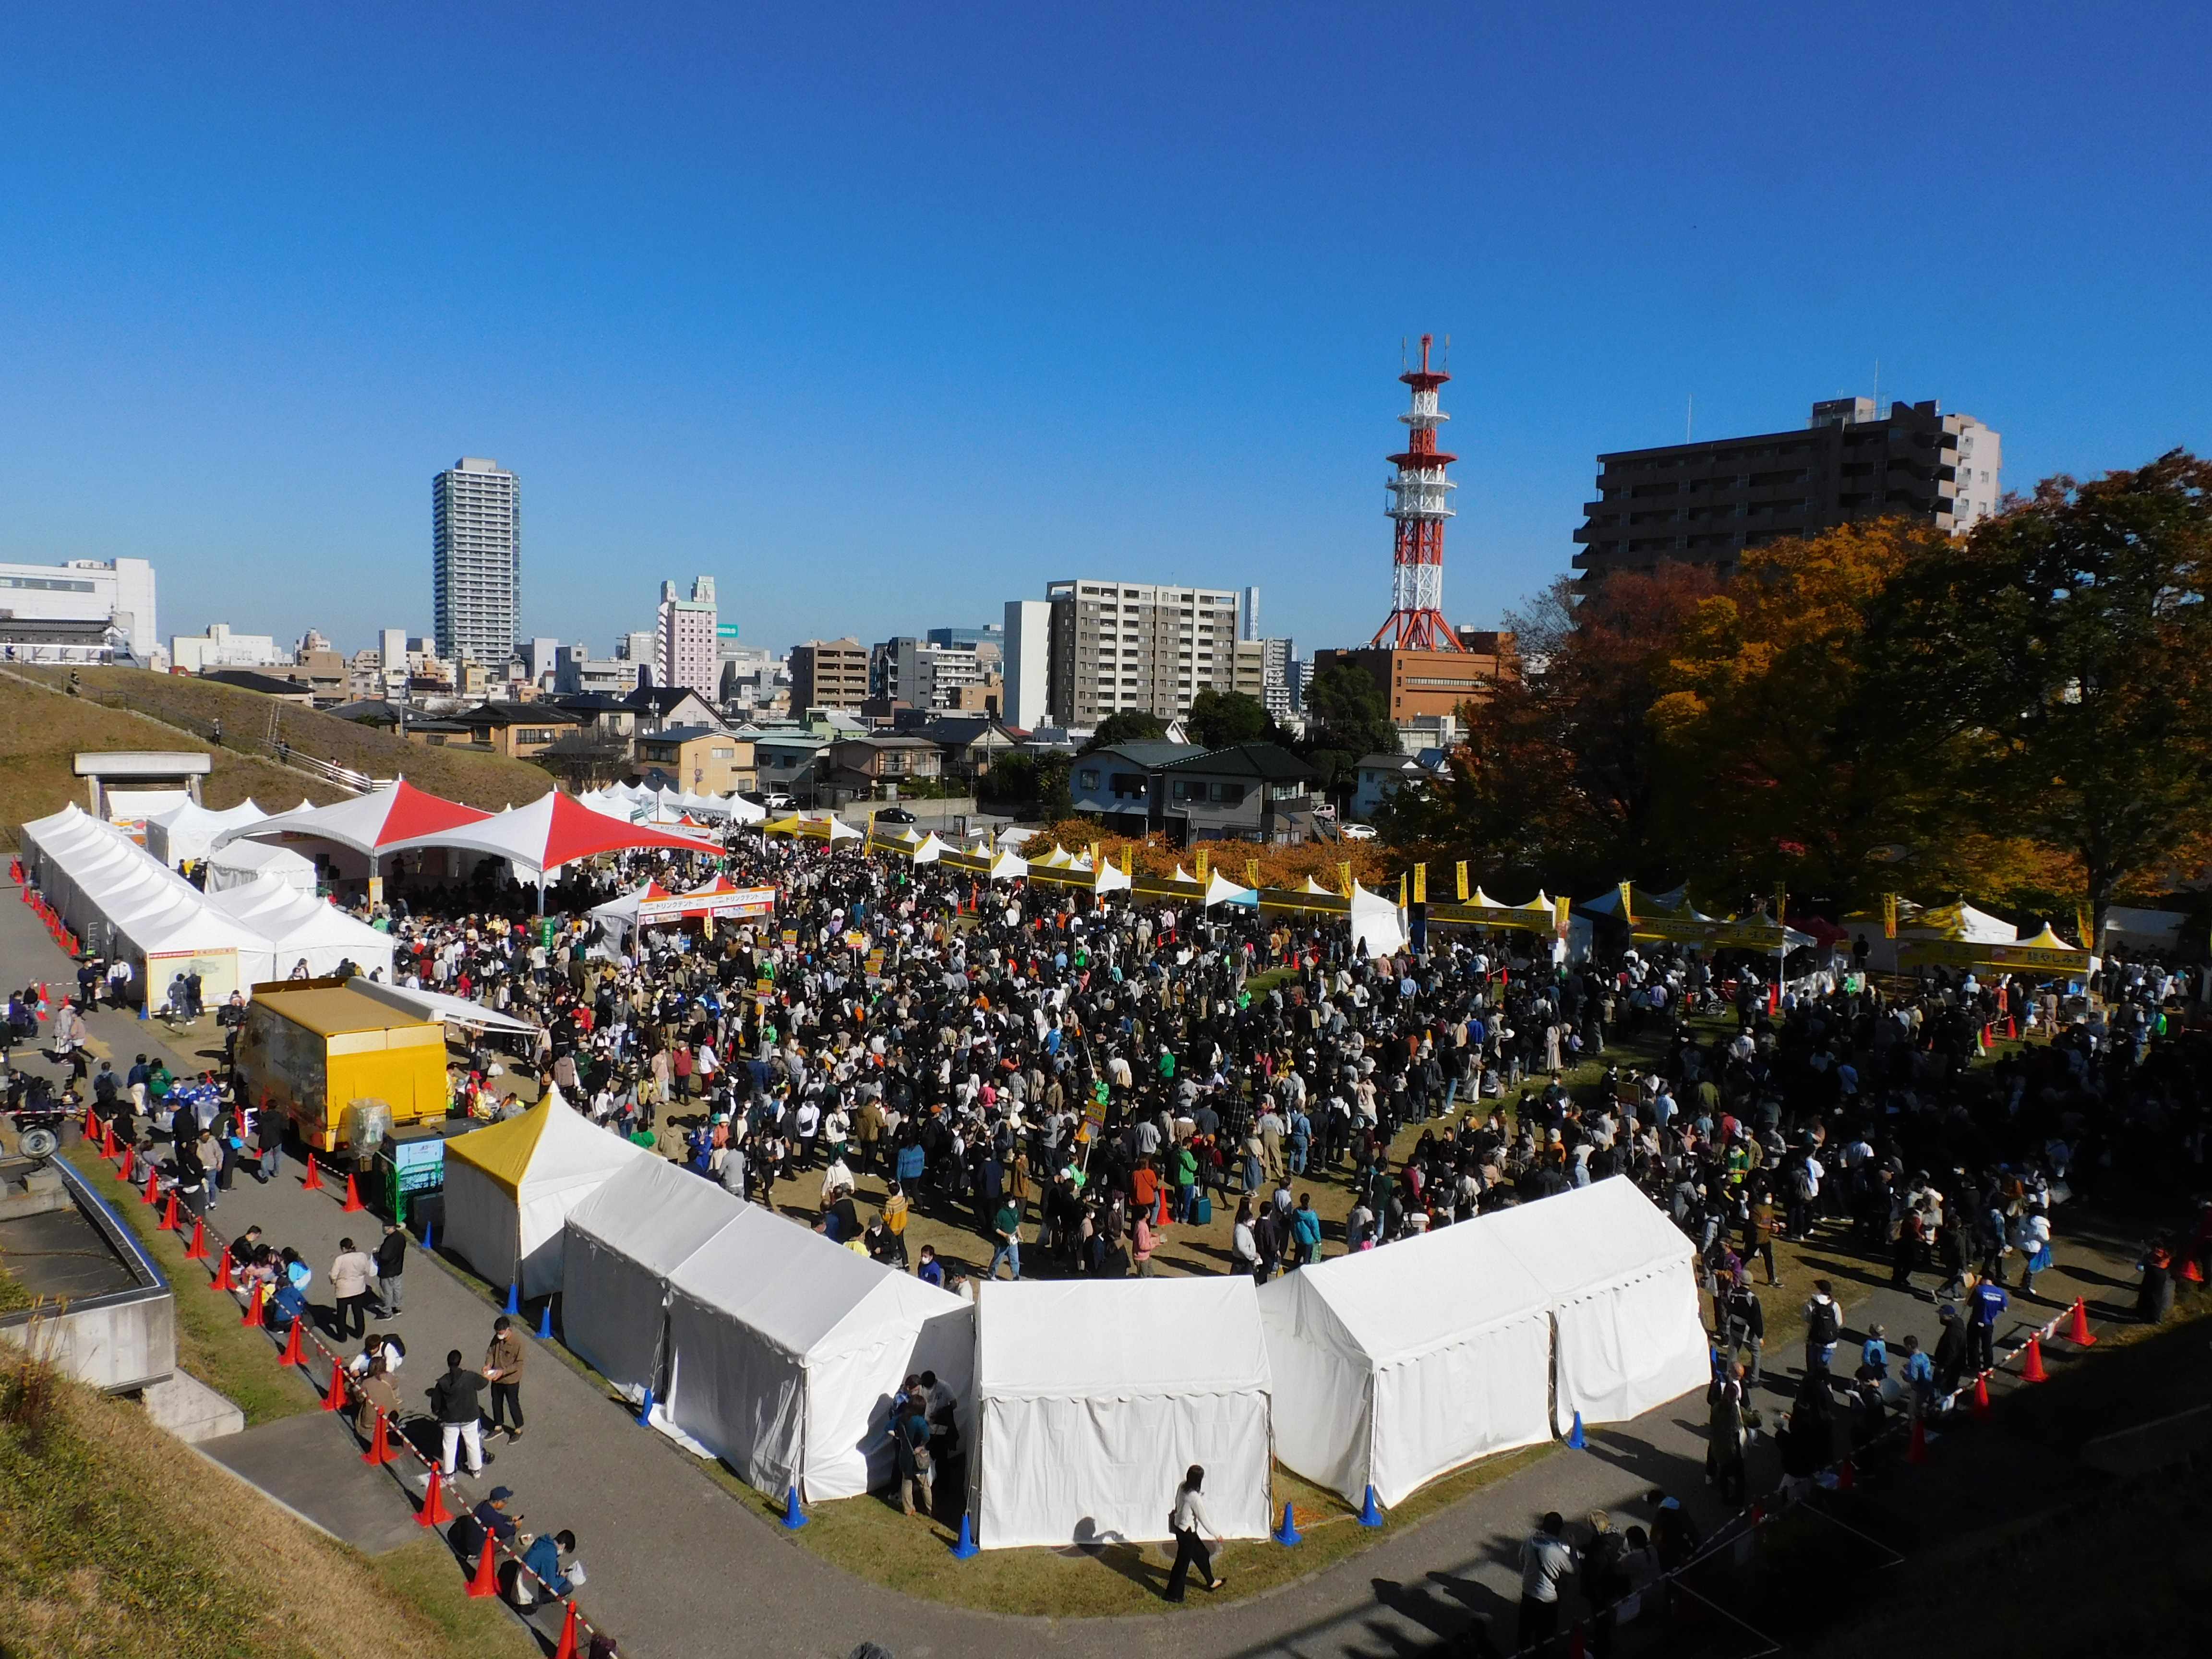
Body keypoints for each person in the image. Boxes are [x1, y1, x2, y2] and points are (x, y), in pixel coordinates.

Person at [1516, 1510, 1577, 1652]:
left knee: (1525, 1630)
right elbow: (1574, 1569)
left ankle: (1523, 1652)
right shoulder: (1558, 1551)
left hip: (1528, 1591)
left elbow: (1521, 1559)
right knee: (1545, 1635)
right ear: (1560, 1530)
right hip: (1547, 1598)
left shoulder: (1530, 1541)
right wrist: (1573, 1547)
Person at [1164, 1465, 1226, 1602]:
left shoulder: (1182, 1486)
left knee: (1202, 1555)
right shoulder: (1195, 1498)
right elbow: (1204, 1519)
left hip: (1181, 1530)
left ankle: (1211, 1582)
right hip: (1188, 1534)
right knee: (1181, 1565)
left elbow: (1177, 1503)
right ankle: (1173, 1595)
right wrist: (1217, 1535)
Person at [432, 1347, 493, 1477]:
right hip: (469, 1417)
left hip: (450, 1419)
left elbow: (436, 1405)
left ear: (448, 1363)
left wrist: (440, 1414)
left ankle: (449, 1473)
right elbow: (483, 1383)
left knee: (449, 1446)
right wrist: (486, 1375)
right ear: (460, 1362)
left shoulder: (442, 1382)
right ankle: (476, 1470)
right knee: (473, 1442)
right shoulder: (469, 1377)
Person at [485, 1314, 526, 1442]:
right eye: (497, 1333)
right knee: (496, 1402)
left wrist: (503, 1371)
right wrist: (488, 1365)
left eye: (501, 1333)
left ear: (508, 1329)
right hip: (496, 1377)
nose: (499, 1336)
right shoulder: (497, 1339)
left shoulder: (518, 1342)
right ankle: (498, 1426)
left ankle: (518, 1428)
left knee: (513, 1403)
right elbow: (491, 1352)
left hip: (511, 1380)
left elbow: (519, 1363)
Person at [515, 1529, 579, 1608]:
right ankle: (535, 1603)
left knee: (555, 1565)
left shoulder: (542, 1541)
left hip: (521, 1575)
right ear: (564, 1546)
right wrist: (562, 1577)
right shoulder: (550, 1555)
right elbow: (552, 1587)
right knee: (569, 1586)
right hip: (526, 1593)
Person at [329, 1236, 376, 1342]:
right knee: (358, 1312)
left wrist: (334, 1281)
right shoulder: (362, 1256)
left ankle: (342, 1337)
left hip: (343, 1291)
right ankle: (359, 1333)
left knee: (341, 1315)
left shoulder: (340, 1260)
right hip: (358, 1289)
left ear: (343, 1249)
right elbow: (367, 1270)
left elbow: (333, 1275)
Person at [1966, 1274, 2008, 1377]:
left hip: (1976, 1321)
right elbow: (2004, 1309)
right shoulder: (2001, 1293)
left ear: (1984, 1279)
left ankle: (1974, 1368)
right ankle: (1989, 1368)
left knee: (1973, 1345)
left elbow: (1969, 1303)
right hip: (1989, 1323)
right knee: (1987, 1346)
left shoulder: (1979, 1290)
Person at [1802, 1279, 1841, 1378]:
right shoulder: (1834, 1305)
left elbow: (1805, 1318)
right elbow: (1839, 1323)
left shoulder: (1811, 1303)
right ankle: (1825, 1387)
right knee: (1824, 1368)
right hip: (1829, 1342)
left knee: (1812, 1368)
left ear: (1819, 1290)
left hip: (1813, 1340)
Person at [374, 1221, 407, 1316]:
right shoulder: (401, 1237)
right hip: (398, 1268)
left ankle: (387, 1312)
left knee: (387, 1291)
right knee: (397, 1288)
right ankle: (397, 1307)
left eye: (385, 1228)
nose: (384, 1230)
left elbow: (384, 1256)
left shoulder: (390, 1241)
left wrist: (377, 1255)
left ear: (391, 1228)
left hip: (388, 1270)